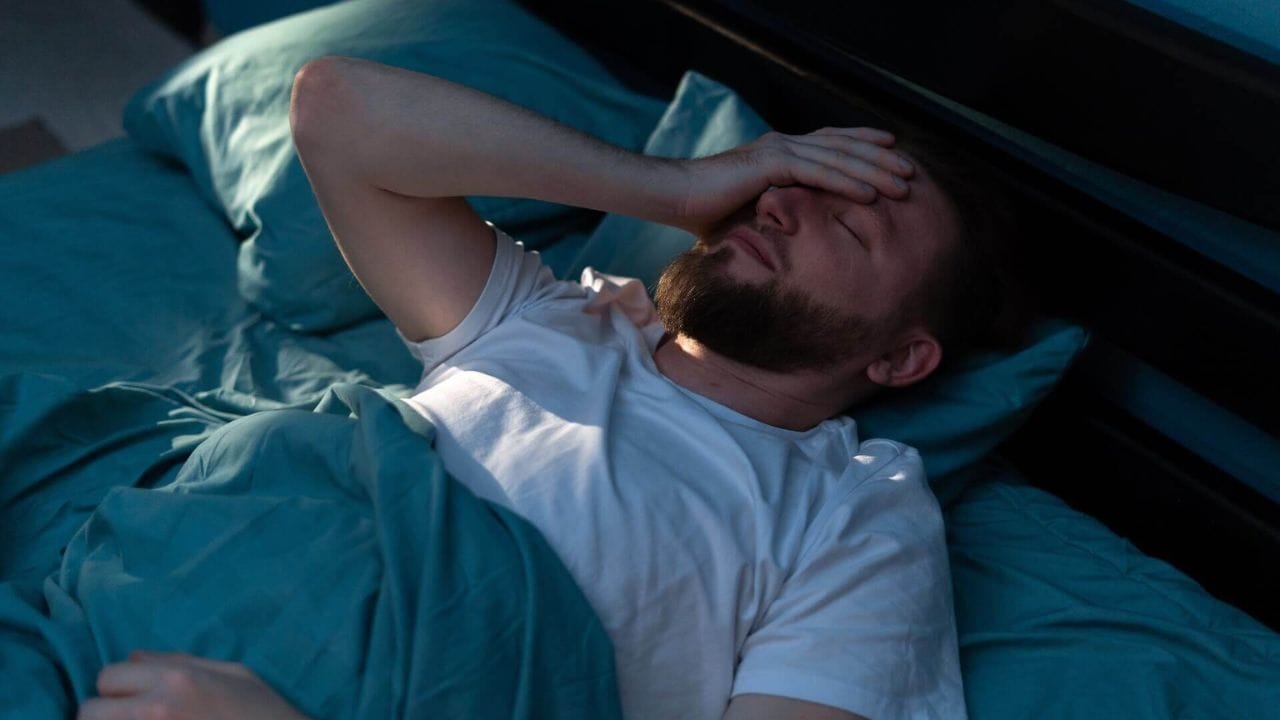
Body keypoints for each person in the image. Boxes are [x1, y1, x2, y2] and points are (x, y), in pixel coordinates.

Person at [80, 56, 1031, 720]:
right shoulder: (548, 318)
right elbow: (337, 106)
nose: (779, 203)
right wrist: (676, 186)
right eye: (790, 184)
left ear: (901, 360)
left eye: (850, 229)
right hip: (152, 600)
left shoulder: (857, 514)